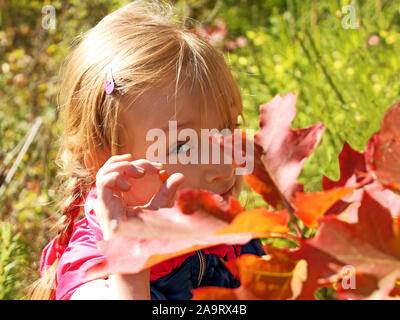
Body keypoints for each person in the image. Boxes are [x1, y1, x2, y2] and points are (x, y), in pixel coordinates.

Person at [29, 0, 264, 300]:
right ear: (103, 164)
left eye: (223, 132)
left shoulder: (227, 234)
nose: (220, 166)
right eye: (183, 146)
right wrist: (130, 270)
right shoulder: (95, 272)